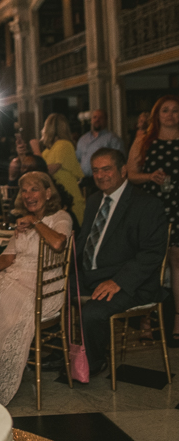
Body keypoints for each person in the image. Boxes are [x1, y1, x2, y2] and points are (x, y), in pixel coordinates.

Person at [0, 171, 72, 405]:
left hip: (43, 288)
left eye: (34, 189)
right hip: (15, 277)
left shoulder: (61, 216)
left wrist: (36, 222)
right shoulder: (24, 220)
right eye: (24, 190)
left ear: (48, 193)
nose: (28, 195)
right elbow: (7, 258)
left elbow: (58, 243)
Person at [78, 148, 169, 373]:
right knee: (42, 294)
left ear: (123, 170)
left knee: (92, 312)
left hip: (131, 282)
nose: (100, 175)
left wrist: (118, 281)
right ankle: (65, 355)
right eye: (96, 170)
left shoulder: (146, 204)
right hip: (91, 274)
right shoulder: (93, 201)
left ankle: (94, 363)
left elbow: (152, 253)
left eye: (106, 169)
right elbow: (83, 242)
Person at [126, 94, 179, 344]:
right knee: (152, 262)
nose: (170, 115)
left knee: (177, 262)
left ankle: (178, 321)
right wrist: (150, 177)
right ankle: (145, 320)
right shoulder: (144, 140)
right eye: (165, 111)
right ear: (157, 115)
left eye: (175, 110)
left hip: (177, 207)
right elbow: (131, 175)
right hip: (152, 207)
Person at [30, 113, 85, 225]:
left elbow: (45, 172)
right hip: (56, 198)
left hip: (69, 197)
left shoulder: (64, 145)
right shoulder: (47, 150)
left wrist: (36, 150)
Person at [75, 110, 125, 196]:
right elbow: (77, 159)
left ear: (106, 120)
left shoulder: (112, 139)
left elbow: (120, 160)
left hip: (103, 180)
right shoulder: (83, 139)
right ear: (91, 120)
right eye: (95, 117)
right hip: (85, 182)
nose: (97, 120)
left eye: (100, 117)